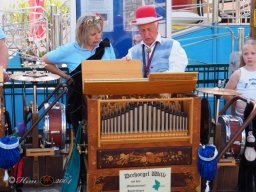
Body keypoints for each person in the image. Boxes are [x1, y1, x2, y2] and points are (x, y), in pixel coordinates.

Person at [42, 14, 116, 133]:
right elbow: (45, 61)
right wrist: (65, 76)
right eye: (93, 34)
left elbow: (114, 70)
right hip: (80, 105)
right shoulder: (70, 49)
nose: (98, 37)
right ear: (82, 34)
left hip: (105, 104)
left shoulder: (106, 47)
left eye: (100, 32)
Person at [123, 5, 188, 77]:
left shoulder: (173, 45)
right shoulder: (132, 52)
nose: (146, 34)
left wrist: (156, 78)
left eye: (149, 29)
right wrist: (123, 64)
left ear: (157, 26)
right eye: (143, 30)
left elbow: (177, 72)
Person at [224, 39, 256, 117]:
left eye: (253, 53)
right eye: (246, 54)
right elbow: (226, 93)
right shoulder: (238, 73)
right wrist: (237, 103)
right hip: (242, 115)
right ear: (242, 56)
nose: (249, 56)